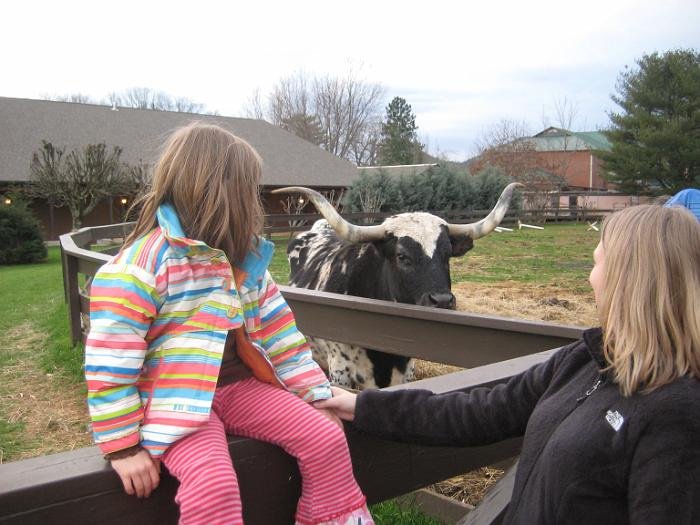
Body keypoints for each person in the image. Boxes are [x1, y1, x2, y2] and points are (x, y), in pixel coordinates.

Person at [317, 204, 700, 524]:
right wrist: (363, 404)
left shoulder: (678, 416)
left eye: (597, 262)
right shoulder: (586, 360)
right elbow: (482, 410)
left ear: (629, 280)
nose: (589, 278)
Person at [84, 122, 373, 525]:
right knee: (213, 484)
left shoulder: (246, 262)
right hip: (171, 402)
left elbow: (281, 337)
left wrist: (315, 395)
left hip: (240, 387)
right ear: (219, 191)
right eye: (247, 189)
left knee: (325, 437)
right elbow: (110, 363)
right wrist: (123, 447)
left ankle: (332, 517)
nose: (252, 201)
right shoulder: (138, 269)